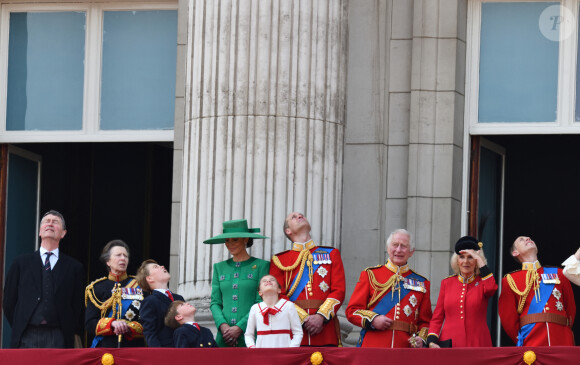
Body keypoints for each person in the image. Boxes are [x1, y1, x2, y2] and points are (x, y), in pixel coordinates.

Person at [3, 210, 84, 348]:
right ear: (40, 231)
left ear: (63, 233)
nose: (50, 224)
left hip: (59, 336)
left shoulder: (74, 267)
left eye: (55, 222)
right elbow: (9, 301)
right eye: (47, 221)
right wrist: (21, 324)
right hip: (26, 335)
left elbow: (78, 305)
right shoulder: (20, 263)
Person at [345, 229, 431, 348]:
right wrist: (373, 320)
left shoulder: (422, 282)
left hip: (405, 348)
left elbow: (426, 322)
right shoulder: (370, 274)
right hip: (374, 345)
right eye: (395, 245)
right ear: (387, 248)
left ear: (411, 251)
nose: (398, 250)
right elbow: (352, 311)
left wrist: (422, 338)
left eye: (404, 246)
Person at [270, 212, 345, 346]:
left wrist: (321, 316)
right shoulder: (279, 260)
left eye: (301, 215)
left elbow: (338, 290)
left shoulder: (331, 254)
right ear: (288, 231)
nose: (300, 216)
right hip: (294, 331)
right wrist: (303, 319)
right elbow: (277, 295)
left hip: (325, 330)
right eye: (294, 217)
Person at [498, 236, 576, 346]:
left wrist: (564, 329)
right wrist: (522, 338)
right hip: (531, 339)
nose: (527, 239)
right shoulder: (510, 280)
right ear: (515, 253)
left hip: (561, 336)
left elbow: (571, 308)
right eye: (521, 239)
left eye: (529, 238)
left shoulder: (559, 273)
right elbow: (508, 318)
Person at [205, 219, 270, 347]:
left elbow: (261, 302)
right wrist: (223, 326)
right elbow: (215, 303)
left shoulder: (262, 266)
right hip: (224, 336)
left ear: (245, 239)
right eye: (227, 240)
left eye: (235, 240)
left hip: (251, 334)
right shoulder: (219, 267)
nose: (230, 244)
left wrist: (239, 327)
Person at [426, 236, 497, 348]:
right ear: (457, 260)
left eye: (470, 257)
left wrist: (480, 260)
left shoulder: (483, 282)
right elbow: (437, 317)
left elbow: (492, 288)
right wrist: (431, 340)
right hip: (450, 344)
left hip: (477, 343)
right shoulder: (447, 283)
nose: (465, 261)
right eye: (461, 257)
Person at [85, 240, 144, 347]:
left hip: (134, 347)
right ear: (108, 261)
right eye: (118, 255)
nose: (123, 258)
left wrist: (128, 326)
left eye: (125, 256)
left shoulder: (141, 285)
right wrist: (111, 324)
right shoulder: (96, 288)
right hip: (106, 348)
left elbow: (149, 321)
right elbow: (89, 324)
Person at [244, 275, 303, 348]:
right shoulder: (255, 308)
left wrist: (291, 349)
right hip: (262, 354)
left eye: (272, 280)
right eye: (264, 281)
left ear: (279, 290)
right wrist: (253, 349)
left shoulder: (288, 306)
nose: (268, 281)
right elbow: (249, 334)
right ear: (260, 292)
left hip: (284, 353)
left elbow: (298, 332)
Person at [136, 259, 185, 347]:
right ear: (149, 278)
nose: (162, 266)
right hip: (167, 353)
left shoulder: (179, 298)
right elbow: (150, 334)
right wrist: (159, 356)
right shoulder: (149, 301)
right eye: (156, 267)